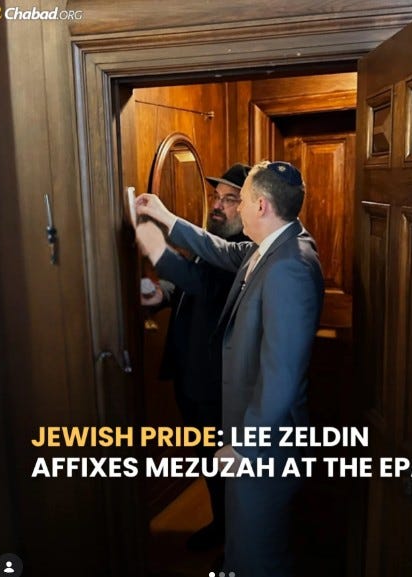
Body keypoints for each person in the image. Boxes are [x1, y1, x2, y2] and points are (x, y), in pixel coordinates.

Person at [135, 160, 324, 577]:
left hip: (266, 445)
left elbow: (282, 374)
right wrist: (163, 217)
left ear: (260, 206)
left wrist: (245, 446)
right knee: (243, 544)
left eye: (240, 199)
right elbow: (217, 249)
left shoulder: (290, 265)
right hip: (249, 430)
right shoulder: (268, 245)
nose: (230, 208)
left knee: (260, 556)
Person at [140, 163, 251, 551]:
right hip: (190, 375)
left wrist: (152, 241)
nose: (218, 206)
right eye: (217, 197)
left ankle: (235, 541)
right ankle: (223, 527)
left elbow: (202, 282)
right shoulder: (215, 240)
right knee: (209, 460)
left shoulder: (247, 251)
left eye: (229, 199)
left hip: (215, 383)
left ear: (251, 205)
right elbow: (190, 280)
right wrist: (163, 293)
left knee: (227, 465)